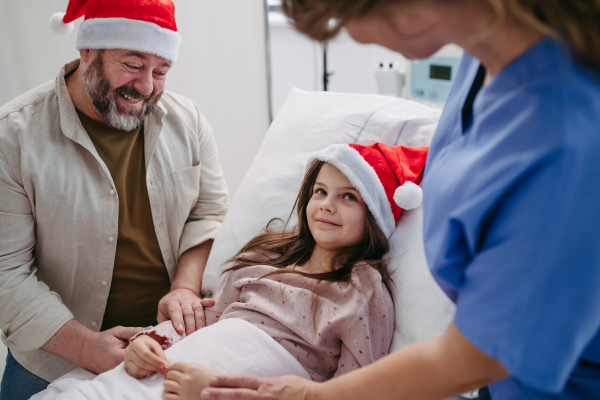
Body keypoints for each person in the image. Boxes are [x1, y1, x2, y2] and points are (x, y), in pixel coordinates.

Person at [196, 1, 600, 400]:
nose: (357, 37)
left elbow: (475, 358)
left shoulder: (568, 142)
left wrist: (312, 396)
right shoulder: (482, 62)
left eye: (348, 19)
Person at [28, 142, 429, 400]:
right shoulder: (268, 259)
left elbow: (353, 391)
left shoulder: (361, 292)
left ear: (374, 215)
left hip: (246, 385)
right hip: (178, 366)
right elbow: (207, 320)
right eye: (320, 192)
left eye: (348, 197)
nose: (326, 205)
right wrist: (146, 345)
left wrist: (219, 393)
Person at [0, 0, 229, 399]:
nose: (146, 87)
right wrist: (86, 346)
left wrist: (185, 288)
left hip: (169, 343)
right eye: (133, 65)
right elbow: (5, 273)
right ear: (87, 49)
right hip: (54, 359)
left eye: (160, 71)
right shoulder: (13, 138)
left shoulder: (187, 121)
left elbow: (209, 212)